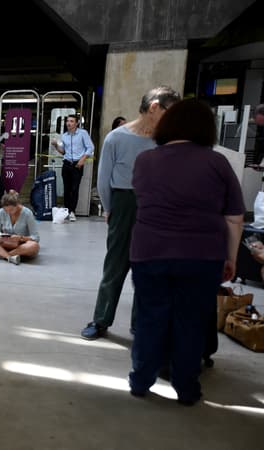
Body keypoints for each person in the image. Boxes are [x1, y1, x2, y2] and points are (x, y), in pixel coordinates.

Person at [127, 99, 244, 405]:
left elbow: (144, 201)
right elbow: (234, 218)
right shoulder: (217, 162)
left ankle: (141, 380)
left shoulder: (145, 160)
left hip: (149, 251)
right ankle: (186, 387)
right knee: (190, 322)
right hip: (202, 255)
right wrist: (230, 257)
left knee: (150, 317)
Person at [80, 86, 181, 340]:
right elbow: (103, 179)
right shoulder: (117, 137)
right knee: (115, 265)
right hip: (123, 203)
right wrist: (110, 208)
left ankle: (140, 325)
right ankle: (101, 319)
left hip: (156, 207)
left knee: (147, 269)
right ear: (155, 107)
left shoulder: (167, 141)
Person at [0, 190, 40, 265]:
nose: (9, 213)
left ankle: (3, 255)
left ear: (17, 205)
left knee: (34, 246)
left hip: (20, 246)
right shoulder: (1, 211)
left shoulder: (27, 213)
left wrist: (20, 238)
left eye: (11, 210)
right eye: (6, 210)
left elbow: (36, 237)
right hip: (4, 243)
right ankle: (10, 257)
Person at [51, 114, 94, 222]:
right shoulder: (64, 135)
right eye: (67, 121)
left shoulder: (83, 134)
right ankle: (66, 211)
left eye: (71, 121)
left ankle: (72, 211)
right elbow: (64, 151)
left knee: (74, 189)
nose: (68, 123)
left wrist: (83, 159)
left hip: (77, 164)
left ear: (76, 123)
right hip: (66, 163)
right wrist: (56, 146)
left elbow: (90, 147)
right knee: (66, 189)